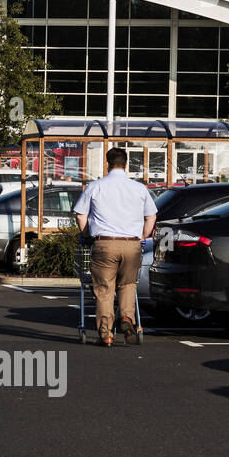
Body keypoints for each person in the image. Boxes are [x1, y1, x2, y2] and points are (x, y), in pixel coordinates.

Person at [73, 147, 157, 346]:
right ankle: (127, 318)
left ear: (107, 163)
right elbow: (151, 215)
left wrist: (86, 234)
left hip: (104, 244)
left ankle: (106, 334)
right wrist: (143, 235)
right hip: (132, 244)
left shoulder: (95, 187)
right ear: (126, 164)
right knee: (128, 285)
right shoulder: (139, 188)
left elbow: (80, 214)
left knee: (104, 289)